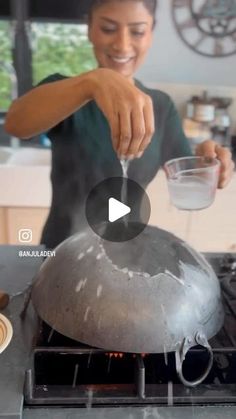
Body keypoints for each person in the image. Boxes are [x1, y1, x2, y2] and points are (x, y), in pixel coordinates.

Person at [5, 0, 234, 249]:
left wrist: (210, 161)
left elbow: (186, 172)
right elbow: (16, 123)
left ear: (151, 33)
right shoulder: (67, 93)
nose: (122, 44)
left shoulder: (160, 106)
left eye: (137, 31)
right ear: (89, 28)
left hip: (129, 254)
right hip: (61, 252)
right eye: (108, 29)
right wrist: (92, 82)